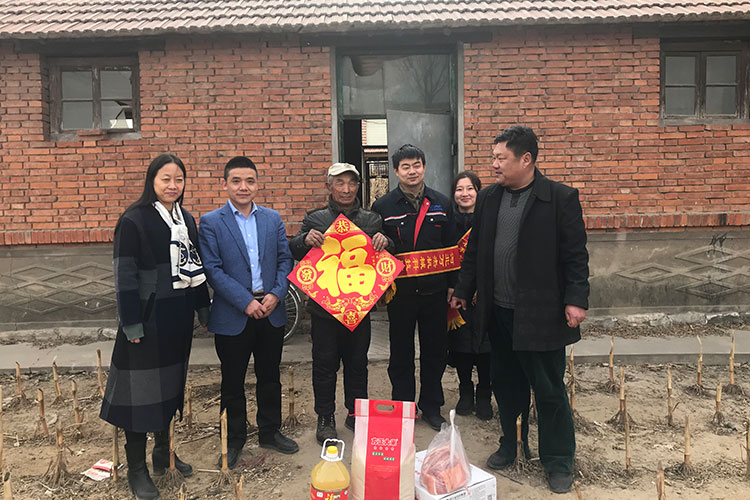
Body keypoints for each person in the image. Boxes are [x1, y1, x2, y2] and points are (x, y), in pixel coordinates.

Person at [450, 126, 589, 494]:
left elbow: (576, 256)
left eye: (501, 158)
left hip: (540, 313)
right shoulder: (489, 198)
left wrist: (576, 299)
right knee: (507, 384)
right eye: (493, 157)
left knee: (548, 390)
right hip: (498, 311)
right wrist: (464, 289)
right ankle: (511, 445)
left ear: (526, 159)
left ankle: (558, 460)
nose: (494, 164)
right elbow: (475, 250)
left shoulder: (559, 198)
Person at [101, 153, 210, 500]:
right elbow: (125, 276)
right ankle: (137, 469)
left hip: (177, 317)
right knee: (141, 394)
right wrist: (131, 323)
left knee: (170, 387)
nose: (172, 185)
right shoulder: (134, 220)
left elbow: (195, 264)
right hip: (147, 320)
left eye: (179, 179)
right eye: (166, 179)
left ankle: (163, 452)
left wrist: (202, 306)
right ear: (152, 181)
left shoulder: (185, 219)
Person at [198, 156, 298, 469]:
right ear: (225, 184)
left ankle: (270, 431)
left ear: (257, 184)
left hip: (270, 310)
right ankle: (233, 439)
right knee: (232, 382)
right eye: (237, 181)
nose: (244, 187)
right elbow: (213, 269)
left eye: (250, 181)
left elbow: (285, 260)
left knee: (270, 376)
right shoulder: (211, 222)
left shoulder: (272, 219)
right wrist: (245, 301)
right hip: (234, 314)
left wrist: (276, 294)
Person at [289, 163, 392, 445]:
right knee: (324, 365)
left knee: (358, 363)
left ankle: (356, 413)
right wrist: (304, 240)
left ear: (358, 186)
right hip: (324, 310)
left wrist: (385, 240)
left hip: (359, 309)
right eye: (340, 183)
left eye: (351, 183)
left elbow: (388, 251)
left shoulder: (371, 219)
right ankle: (325, 417)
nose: (346, 189)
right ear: (329, 186)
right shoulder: (316, 218)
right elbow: (294, 248)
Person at [371, 144, 457, 431]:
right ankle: (404, 407)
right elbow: (374, 251)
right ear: (396, 171)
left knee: (435, 353)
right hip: (401, 295)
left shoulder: (441, 203)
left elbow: (452, 249)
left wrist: (453, 286)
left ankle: (432, 406)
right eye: (405, 166)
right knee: (400, 355)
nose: (412, 171)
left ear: (424, 167)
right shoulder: (383, 207)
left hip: (435, 293)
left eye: (417, 165)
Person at [447, 171, 493, 421]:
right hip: (456, 293)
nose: (464, 194)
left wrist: (479, 288)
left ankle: (485, 392)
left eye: (470, 189)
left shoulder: (489, 219)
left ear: (478, 191)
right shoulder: (447, 222)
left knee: (486, 346)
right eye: (459, 189)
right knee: (461, 345)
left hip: (486, 294)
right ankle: (465, 390)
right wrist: (456, 287)